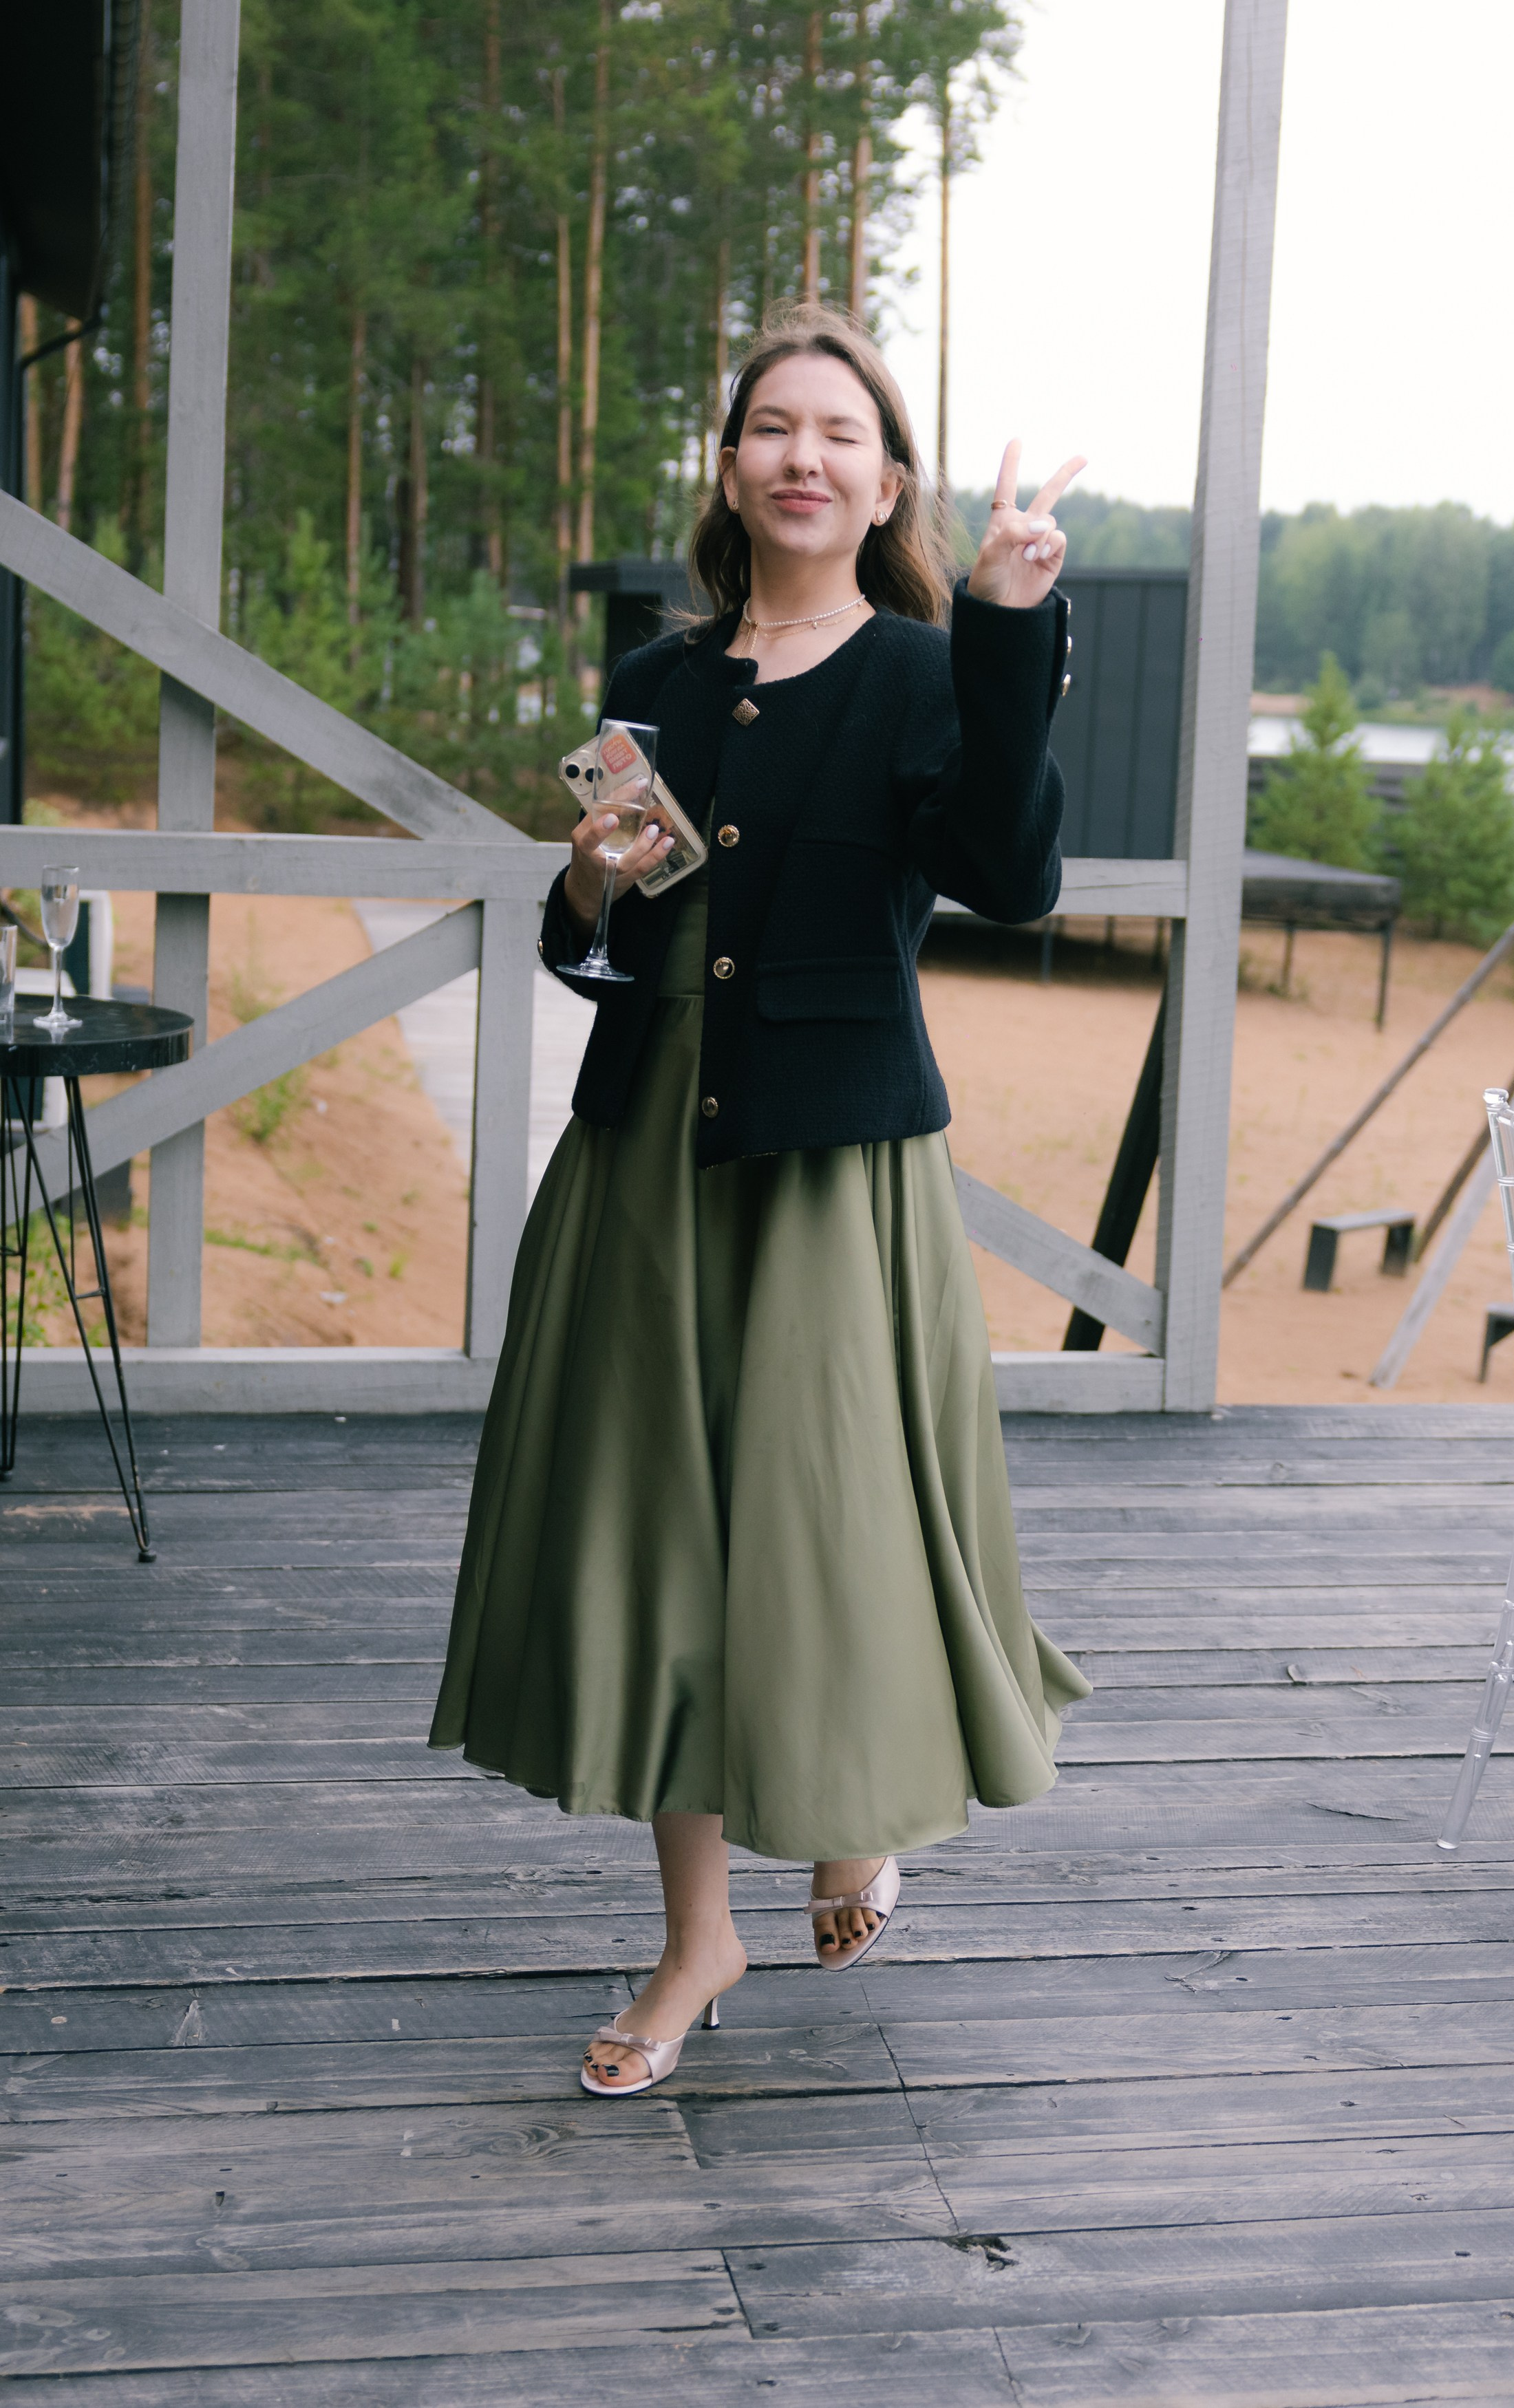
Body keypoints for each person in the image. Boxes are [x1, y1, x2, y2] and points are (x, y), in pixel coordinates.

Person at [429, 300, 1091, 2098]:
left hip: (833, 1169)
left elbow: (1014, 877)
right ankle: (698, 1930)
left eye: (842, 430)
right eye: (773, 425)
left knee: (821, 1530)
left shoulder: (926, 672)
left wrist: (1019, 628)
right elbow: (607, 945)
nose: (805, 453)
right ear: (733, 464)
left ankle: (858, 1815)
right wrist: (581, 888)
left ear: (888, 483)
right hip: (646, 1156)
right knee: (661, 1547)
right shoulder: (653, 681)